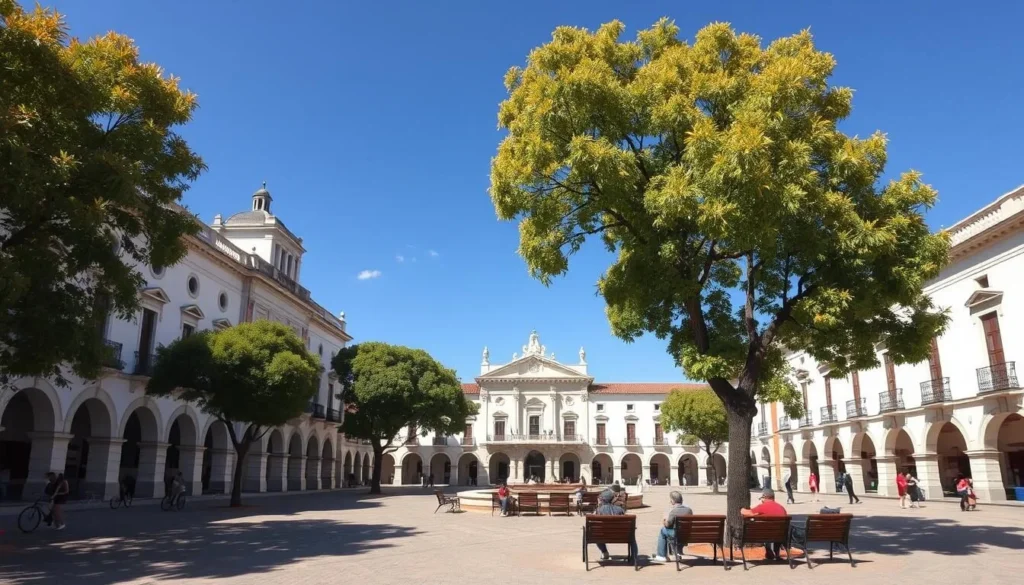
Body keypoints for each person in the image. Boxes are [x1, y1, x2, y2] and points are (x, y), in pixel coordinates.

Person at [741, 488, 788, 560]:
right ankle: (777, 554)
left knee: (765, 530)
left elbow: (748, 512)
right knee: (775, 530)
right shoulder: (781, 508)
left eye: (762, 498)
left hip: (763, 535)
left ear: (764, 496)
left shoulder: (762, 507)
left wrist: (741, 509)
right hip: (780, 535)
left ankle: (769, 550)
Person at [592, 490, 638, 562]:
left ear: (603, 500)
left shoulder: (599, 510)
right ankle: (634, 557)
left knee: (597, 532)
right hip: (622, 536)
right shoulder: (620, 510)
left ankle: (604, 552)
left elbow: (594, 523)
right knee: (632, 534)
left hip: (602, 536)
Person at [651, 491, 693, 562]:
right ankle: (677, 551)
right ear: (681, 500)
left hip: (676, 535)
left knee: (663, 530)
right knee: (677, 531)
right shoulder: (689, 510)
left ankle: (661, 555)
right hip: (686, 535)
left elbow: (668, 525)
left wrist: (664, 520)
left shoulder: (673, 511)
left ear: (672, 501)